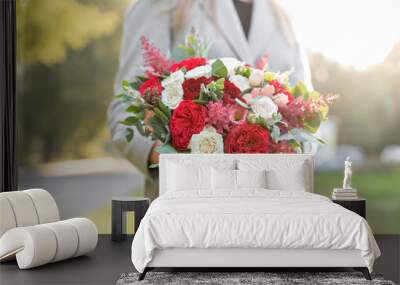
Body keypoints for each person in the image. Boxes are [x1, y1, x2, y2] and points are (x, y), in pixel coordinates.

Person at [108, 0, 312, 201]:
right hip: (189, 203)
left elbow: (308, 113)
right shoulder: (163, 5)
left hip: (272, 205)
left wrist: (290, 156)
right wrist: (173, 161)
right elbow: (125, 107)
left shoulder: (285, 16)